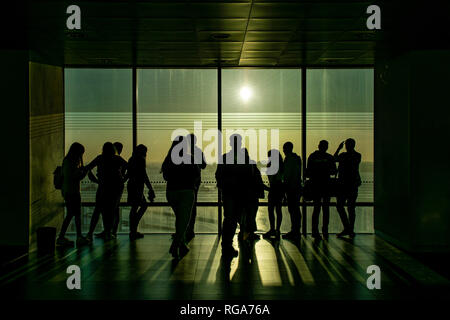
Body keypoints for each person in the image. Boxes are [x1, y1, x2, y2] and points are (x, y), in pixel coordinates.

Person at [215, 134, 255, 259]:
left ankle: (226, 245)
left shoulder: (225, 158)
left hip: (229, 193)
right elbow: (251, 177)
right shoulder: (245, 159)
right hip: (240, 194)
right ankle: (227, 245)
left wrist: (224, 187)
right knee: (234, 219)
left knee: (229, 219)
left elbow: (218, 176)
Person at [161, 136, 199, 259]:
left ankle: (181, 244)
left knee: (180, 219)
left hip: (171, 192)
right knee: (184, 220)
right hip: (186, 192)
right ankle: (175, 245)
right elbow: (197, 175)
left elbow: (165, 177)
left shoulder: (169, 160)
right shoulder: (190, 159)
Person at [85, 142, 127, 240]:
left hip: (103, 187)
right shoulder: (117, 159)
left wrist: (95, 180)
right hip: (115, 188)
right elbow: (129, 167)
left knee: (98, 209)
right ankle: (109, 232)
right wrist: (122, 177)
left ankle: (90, 233)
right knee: (111, 211)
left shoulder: (100, 158)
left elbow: (88, 168)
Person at [56, 142, 90, 246]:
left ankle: (63, 237)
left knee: (71, 214)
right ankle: (76, 237)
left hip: (67, 191)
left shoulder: (66, 161)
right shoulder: (72, 162)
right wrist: (84, 172)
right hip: (73, 192)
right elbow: (76, 177)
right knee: (75, 215)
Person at [306, 140, 337, 240]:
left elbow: (308, 172)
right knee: (325, 209)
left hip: (315, 185)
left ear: (318, 146)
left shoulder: (312, 156)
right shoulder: (329, 158)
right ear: (326, 147)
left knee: (316, 208)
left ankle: (315, 231)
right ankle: (325, 230)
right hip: (326, 185)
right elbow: (333, 171)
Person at [334, 138, 362, 238]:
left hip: (342, 185)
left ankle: (347, 228)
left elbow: (334, 158)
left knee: (340, 206)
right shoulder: (357, 156)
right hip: (353, 185)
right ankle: (350, 229)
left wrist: (338, 148)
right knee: (351, 208)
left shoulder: (343, 156)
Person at [127, 144, 155, 240]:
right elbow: (143, 175)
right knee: (142, 206)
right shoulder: (141, 159)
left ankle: (133, 230)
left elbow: (129, 173)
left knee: (134, 207)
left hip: (131, 185)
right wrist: (150, 188)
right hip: (137, 186)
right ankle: (133, 228)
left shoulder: (132, 159)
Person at [185, 133, 207, 242]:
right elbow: (204, 165)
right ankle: (190, 229)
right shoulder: (199, 151)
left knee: (184, 206)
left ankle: (183, 229)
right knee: (193, 206)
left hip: (185, 182)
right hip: (195, 181)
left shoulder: (183, 152)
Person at [240, 148, 264, 242]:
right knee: (251, 213)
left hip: (243, 194)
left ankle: (244, 232)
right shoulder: (252, 165)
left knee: (244, 214)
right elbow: (258, 178)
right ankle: (250, 232)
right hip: (252, 194)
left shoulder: (239, 166)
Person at [282, 141, 302, 242]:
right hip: (296, 187)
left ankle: (295, 231)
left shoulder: (289, 160)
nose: (284, 151)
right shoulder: (297, 159)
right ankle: (295, 230)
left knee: (293, 210)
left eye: (284, 149)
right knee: (295, 210)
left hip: (291, 188)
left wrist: (285, 188)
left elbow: (287, 176)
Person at [263, 149, 284, 240]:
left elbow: (274, 179)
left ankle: (273, 229)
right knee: (277, 210)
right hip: (278, 189)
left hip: (274, 189)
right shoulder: (280, 165)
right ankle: (277, 230)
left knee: (271, 210)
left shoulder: (271, 166)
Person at [111, 142, 128, 237]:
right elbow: (128, 167)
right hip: (118, 186)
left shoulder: (116, 159)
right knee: (115, 208)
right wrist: (123, 178)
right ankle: (113, 230)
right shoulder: (119, 160)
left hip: (113, 186)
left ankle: (111, 230)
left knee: (111, 208)